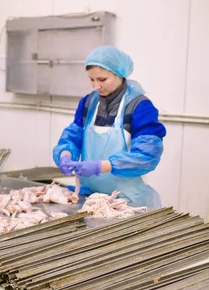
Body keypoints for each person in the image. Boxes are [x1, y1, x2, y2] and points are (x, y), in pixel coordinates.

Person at [53, 46, 166, 207]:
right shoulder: (88, 103)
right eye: (91, 79)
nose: (96, 86)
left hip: (127, 200)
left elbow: (146, 156)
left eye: (102, 80)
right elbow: (73, 136)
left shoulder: (139, 107)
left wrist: (100, 166)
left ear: (119, 74)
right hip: (90, 197)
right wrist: (65, 154)